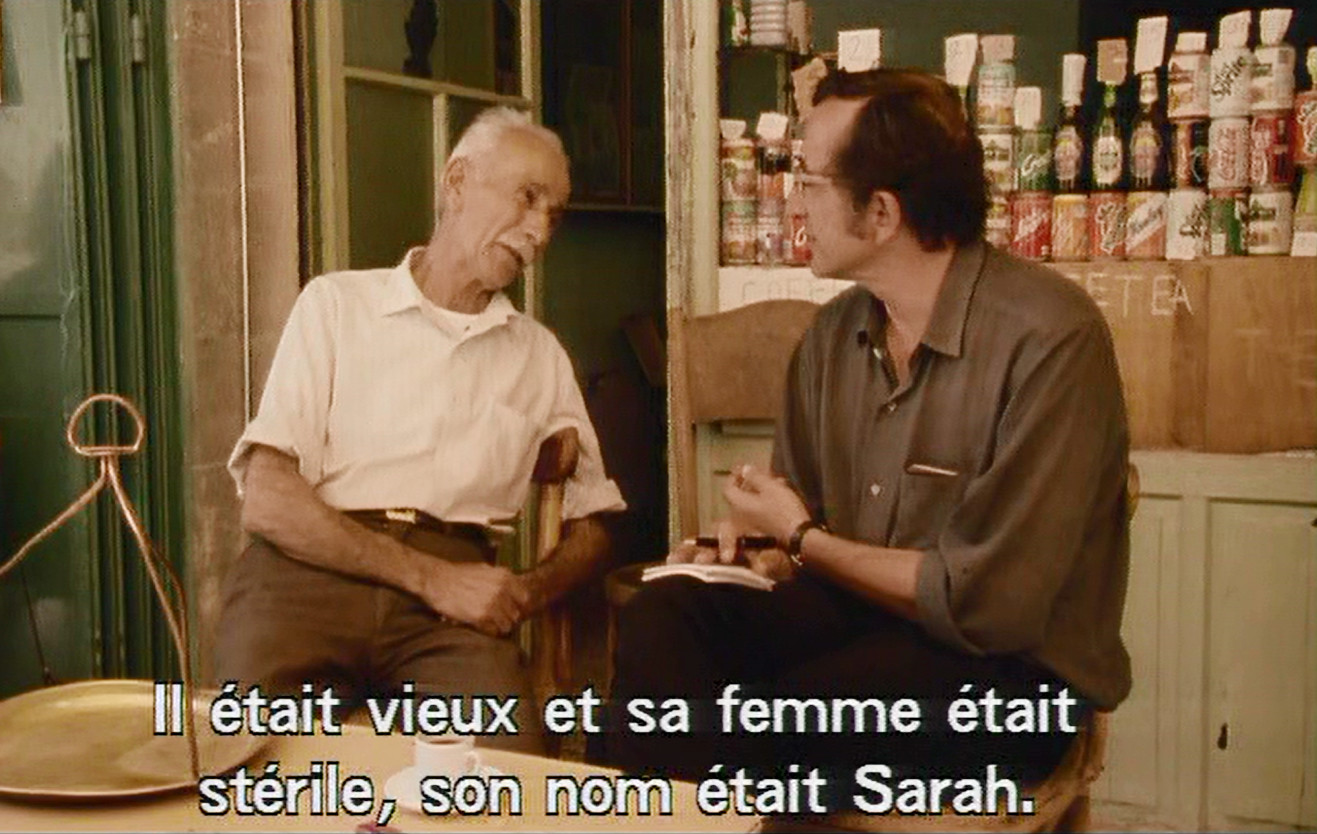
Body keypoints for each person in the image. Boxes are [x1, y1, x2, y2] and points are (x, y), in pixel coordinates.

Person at [601, 69, 1131, 810]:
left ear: (881, 212)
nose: (793, 201)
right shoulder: (834, 334)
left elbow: (988, 607)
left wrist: (802, 539)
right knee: (665, 621)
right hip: (861, 624)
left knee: (767, 718)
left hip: (1013, 674)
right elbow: (803, 539)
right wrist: (754, 556)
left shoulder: (1050, 338)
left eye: (809, 181)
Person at [216, 107, 625, 754]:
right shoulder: (337, 306)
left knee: (502, 772)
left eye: (554, 214)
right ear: (456, 182)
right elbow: (267, 498)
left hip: (451, 617)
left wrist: (523, 591)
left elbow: (594, 524)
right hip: (307, 580)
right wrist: (429, 577)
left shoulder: (538, 354)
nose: (540, 230)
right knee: (250, 760)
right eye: (527, 197)